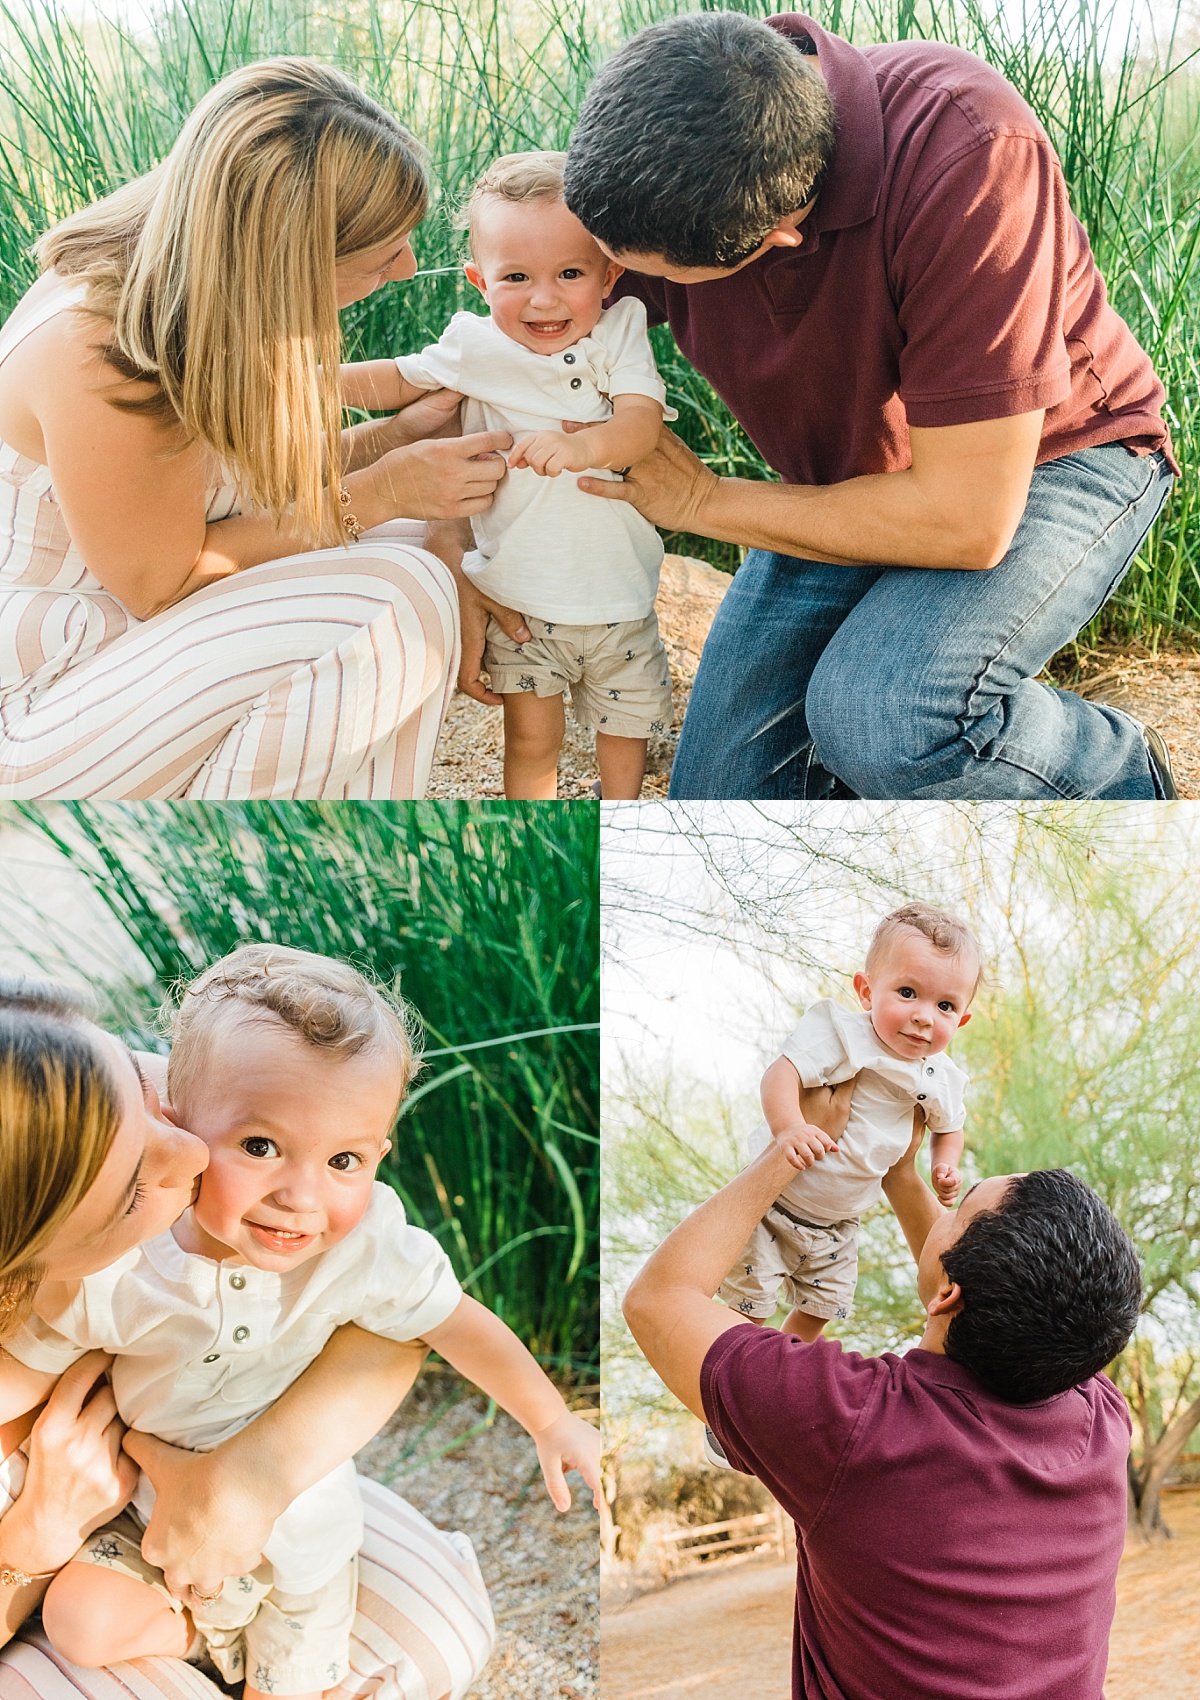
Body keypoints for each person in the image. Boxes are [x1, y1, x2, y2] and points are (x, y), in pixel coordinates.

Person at [563, 11, 1180, 801]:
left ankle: (1118, 774)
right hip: (852, 476)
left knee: (881, 720)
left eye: (642, 274)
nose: (610, 282)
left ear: (777, 240)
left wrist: (701, 502)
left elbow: (964, 520)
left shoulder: (972, 149)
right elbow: (519, 335)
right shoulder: (654, 164)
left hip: (1054, 459)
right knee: (719, 797)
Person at [1, 946, 599, 1692]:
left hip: (299, 1541)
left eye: (344, 1162)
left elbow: (445, 1321)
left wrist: (550, 1420)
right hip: (142, 1523)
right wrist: (28, 1539)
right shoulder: (124, 1270)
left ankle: (246, 1658)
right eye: (259, 1147)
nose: (301, 1196)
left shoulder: (358, 1245)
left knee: (309, 1678)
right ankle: (201, 1635)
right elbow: (25, 1365)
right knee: (81, 1622)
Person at [0, 58, 530, 800]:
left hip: (126, 658)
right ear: (289, 260)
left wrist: (392, 437)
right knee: (394, 595)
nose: (408, 269)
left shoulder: (201, 288)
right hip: (44, 697)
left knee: (424, 555)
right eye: (381, 258)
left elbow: (221, 496)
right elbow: (165, 577)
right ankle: (232, 866)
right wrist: (381, 491)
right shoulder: (101, 346)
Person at [623, 1082, 1142, 1699]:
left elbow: (659, 1299)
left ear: (949, 1294)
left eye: (958, 1207)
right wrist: (899, 1173)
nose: (941, 1212)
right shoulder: (1099, 1417)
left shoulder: (857, 1427)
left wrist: (785, 1151)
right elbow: (972, 1288)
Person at [342, 152, 674, 799]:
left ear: (610, 275)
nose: (544, 298)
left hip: (619, 600)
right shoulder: (474, 345)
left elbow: (641, 424)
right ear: (479, 280)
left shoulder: (618, 333)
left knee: (624, 741)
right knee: (530, 742)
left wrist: (585, 447)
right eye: (516, 275)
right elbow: (395, 378)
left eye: (570, 273)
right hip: (521, 599)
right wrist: (308, 381)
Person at [718, 903, 975, 1348]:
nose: (924, 1016)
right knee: (748, 1310)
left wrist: (944, 1165)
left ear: (962, 1019)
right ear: (866, 991)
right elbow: (783, 1073)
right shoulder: (844, 1035)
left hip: (840, 1223)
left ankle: (781, 1372)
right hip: (775, 1204)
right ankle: (729, 1386)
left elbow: (948, 1128)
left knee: (823, 1308)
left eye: (946, 1005)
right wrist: (789, 1128)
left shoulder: (942, 1076)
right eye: (908, 993)